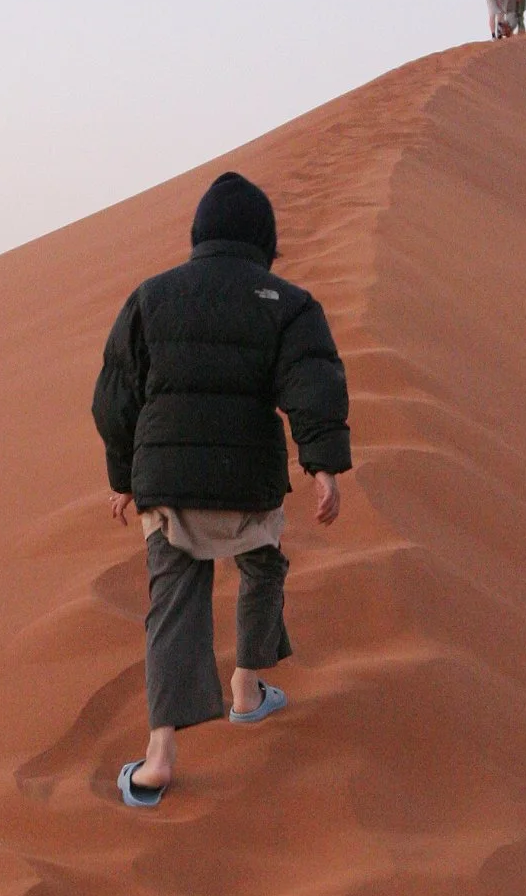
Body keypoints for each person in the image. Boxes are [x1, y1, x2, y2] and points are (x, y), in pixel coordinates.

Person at [92, 172, 351, 807]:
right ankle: (245, 689)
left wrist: (123, 478)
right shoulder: (288, 303)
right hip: (248, 480)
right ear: (265, 241)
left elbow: (114, 398)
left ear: (199, 236)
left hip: (167, 481)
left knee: (173, 601)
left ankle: (159, 757)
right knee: (262, 568)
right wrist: (323, 466)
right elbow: (311, 383)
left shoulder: (152, 298)